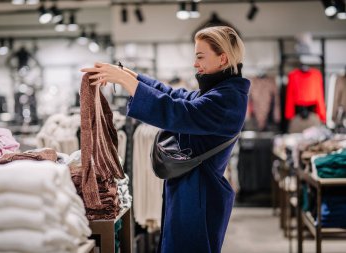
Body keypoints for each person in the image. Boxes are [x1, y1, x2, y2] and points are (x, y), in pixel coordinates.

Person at [81, 26, 250, 253]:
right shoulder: (219, 91)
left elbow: (177, 111)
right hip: (192, 189)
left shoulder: (227, 100)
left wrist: (127, 81)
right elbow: (173, 95)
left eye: (200, 56)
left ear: (222, 58)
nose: (195, 63)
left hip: (200, 195)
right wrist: (129, 75)